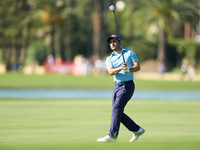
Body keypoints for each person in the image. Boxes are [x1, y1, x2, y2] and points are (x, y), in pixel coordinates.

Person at [97, 35, 145, 143]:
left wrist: (127, 69)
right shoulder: (109, 58)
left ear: (120, 42)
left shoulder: (129, 53)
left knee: (116, 110)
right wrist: (120, 68)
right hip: (117, 86)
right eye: (111, 42)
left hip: (127, 85)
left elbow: (137, 67)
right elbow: (110, 72)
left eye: (114, 41)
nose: (112, 43)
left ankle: (112, 136)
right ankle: (137, 129)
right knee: (117, 111)